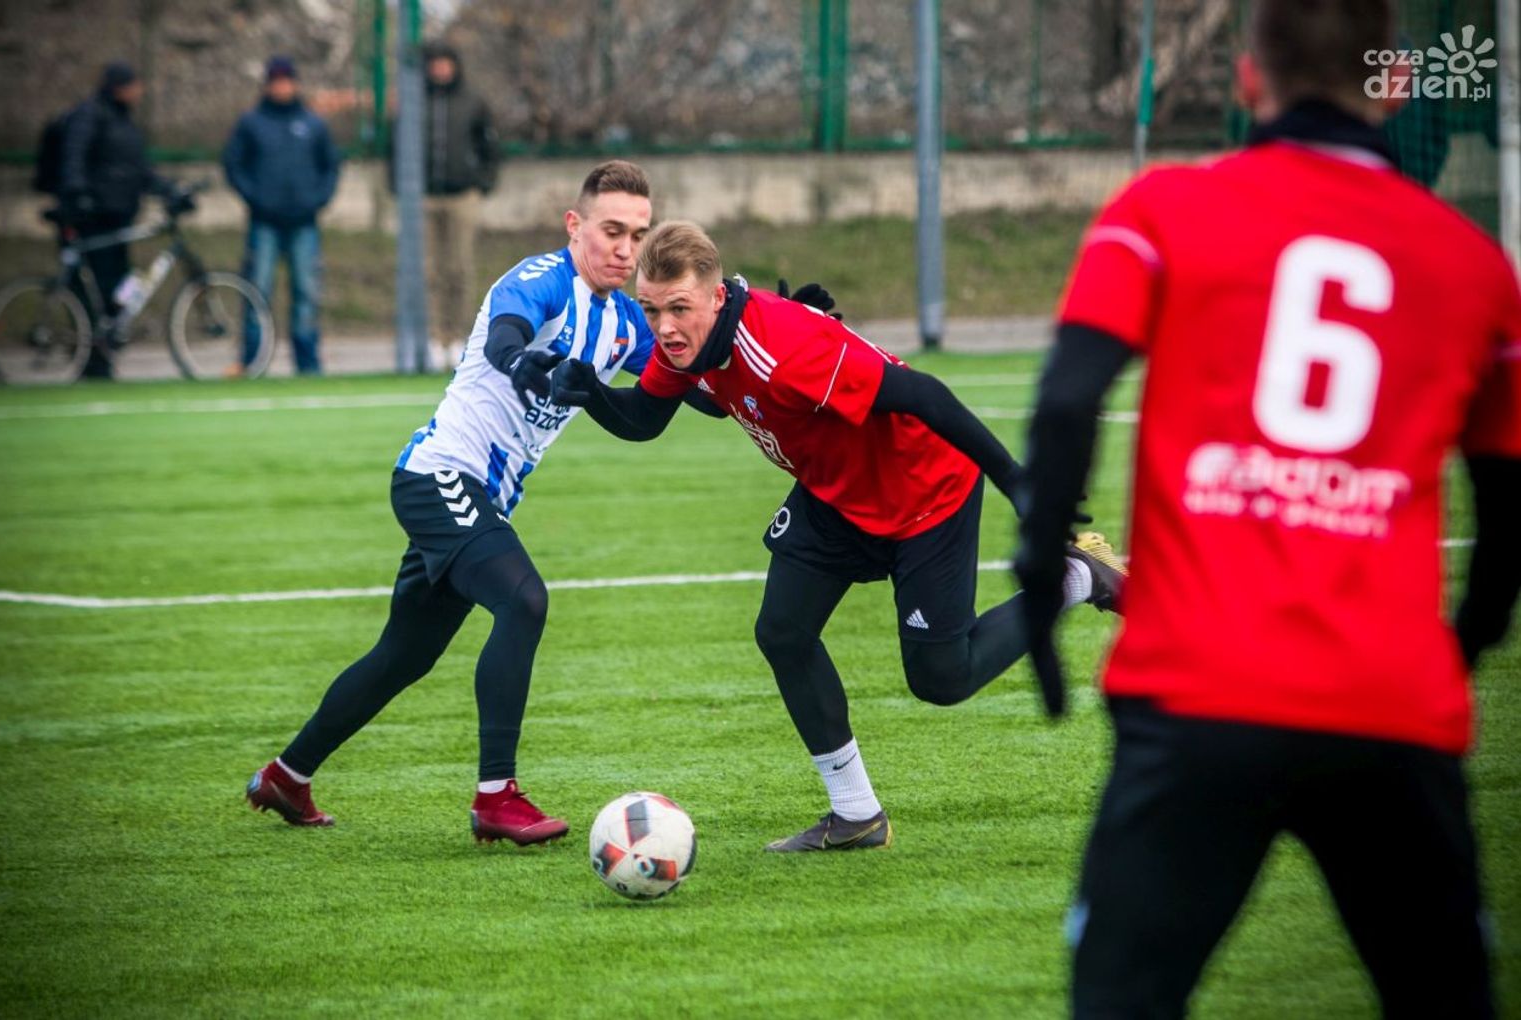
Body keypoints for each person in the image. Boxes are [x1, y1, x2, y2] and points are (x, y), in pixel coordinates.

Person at [1012, 0, 1521, 1014]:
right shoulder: (1475, 265)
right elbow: (1508, 499)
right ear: (1395, 85)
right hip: (1389, 705)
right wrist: (1466, 642)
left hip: (1197, 692)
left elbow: (1068, 401)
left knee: (1120, 997)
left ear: (1249, 78)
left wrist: (1038, 589)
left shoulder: (1162, 209)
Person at [245, 162, 830, 843]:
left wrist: (773, 332)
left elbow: (701, 387)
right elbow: (506, 335)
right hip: (440, 478)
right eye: (612, 231)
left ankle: (287, 775)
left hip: (478, 497)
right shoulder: (542, 279)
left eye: (638, 235)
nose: (626, 249)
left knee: (404, 654)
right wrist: (521, 360)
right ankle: (497, 797)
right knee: (523, 600)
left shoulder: (626, 319)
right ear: (575, 226)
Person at [549, 220, 1127, 852]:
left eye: (678, 308)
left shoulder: (785, 350)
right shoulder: (689, 342)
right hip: (833, 497)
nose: (664, 327)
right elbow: (646, 418)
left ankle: (1078, 577)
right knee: (783, 631)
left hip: (923, 491)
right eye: (651, 309)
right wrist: (591, 394)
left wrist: (1020, 485)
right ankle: (856, 815)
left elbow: (924, 395)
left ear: (715, 296)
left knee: (942, 678)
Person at [57, 61, 180, 379]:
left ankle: (103, 354)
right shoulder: (91, 115)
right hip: (92, 217)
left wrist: (170, 191)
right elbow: (73, 156)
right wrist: (77, 194)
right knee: (91, 290)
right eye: (134, 85)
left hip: (118, 217)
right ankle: (90, 358)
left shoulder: (123, 122)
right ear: (119, 87)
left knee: (118, 289)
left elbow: (138, 170)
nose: (139, 91)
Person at [222, 56, 340, 376]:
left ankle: (308, 363)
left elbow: (330, 166)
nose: (281, 87)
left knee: (306, 293)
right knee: (257, 291)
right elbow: (233, 164)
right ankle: (254, 361)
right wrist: (256, 199)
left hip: (304, 222)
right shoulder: (251, 123)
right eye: (275, 82)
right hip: (264, 222)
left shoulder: (313, 124)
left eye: (286, 81)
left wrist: (317, 200)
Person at [410, 41, 501, 365]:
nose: (440, 69)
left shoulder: (472, 102)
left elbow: (490, 145)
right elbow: (397, 145)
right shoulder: (415, 102)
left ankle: (460, 335)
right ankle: (436, 338)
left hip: (462, 196)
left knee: (459, 268)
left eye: (445, 63)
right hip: (425, 198)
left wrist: (483, 182)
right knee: (431, 271)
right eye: (435, 64)